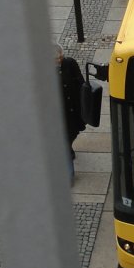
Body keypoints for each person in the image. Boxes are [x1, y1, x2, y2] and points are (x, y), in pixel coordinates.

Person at [54, 44, 86, 179]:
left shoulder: (70, 63)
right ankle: (69, 174)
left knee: (72, 133)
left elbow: (81, 82)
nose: (60, 61)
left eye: (61, 57)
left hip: (72, 109)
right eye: (56, 60)